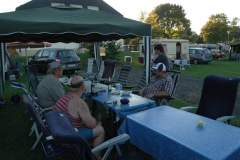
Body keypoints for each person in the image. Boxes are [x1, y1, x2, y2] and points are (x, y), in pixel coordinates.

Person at [54, 76, 104, 160]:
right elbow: (91, 125)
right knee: (100, 129)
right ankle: (96, 157)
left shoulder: (64, 96)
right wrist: (94, 119)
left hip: (58, 131)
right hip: (68, 137)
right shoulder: (79, 102)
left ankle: (88, 147)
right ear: (83, 87)